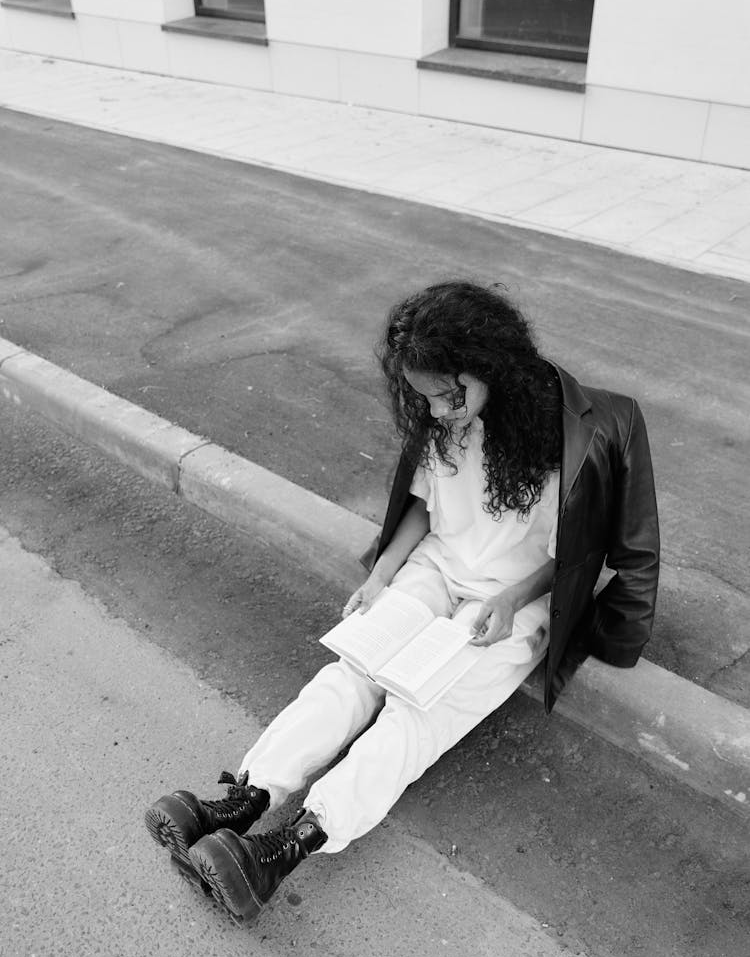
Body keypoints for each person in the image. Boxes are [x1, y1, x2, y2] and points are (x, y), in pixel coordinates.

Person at [145, 279, 659, 922]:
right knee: (353, 674)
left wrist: (512, 600)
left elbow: (584, 550)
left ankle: (283, 849)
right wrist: (382, 574)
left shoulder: (594, 424)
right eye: (425, 398)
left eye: (450, 394)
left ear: (491, 365)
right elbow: (422, 505)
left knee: (418, 715)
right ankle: (246, 800)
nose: (440, 411)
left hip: (518, 603)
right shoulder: (442, 421)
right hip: (437, 568)